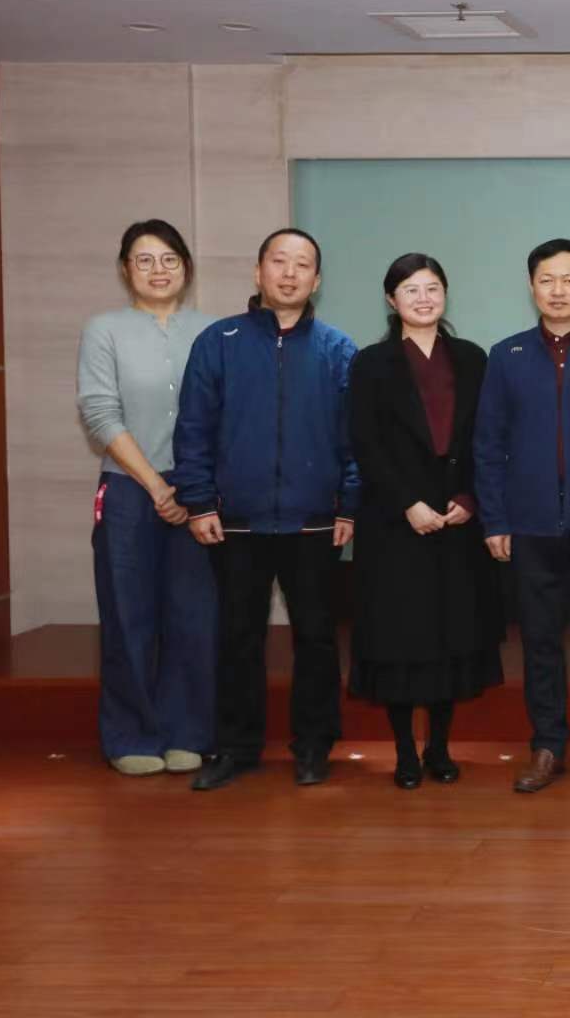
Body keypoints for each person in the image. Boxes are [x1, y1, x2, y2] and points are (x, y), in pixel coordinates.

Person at [175, 228, 359, 790]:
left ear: (317, 280)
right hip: (236, 519)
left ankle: (314, 746)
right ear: (258, 272)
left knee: (317, 637)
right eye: (279, 262)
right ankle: (235, 747)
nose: (289, 273)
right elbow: (193, 427)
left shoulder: (338, 349)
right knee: (238, 636)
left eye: (302, 265)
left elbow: (355, 438)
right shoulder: (219, 341)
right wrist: (198, 501)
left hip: (314, 520)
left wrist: (349, 504)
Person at [475, 238, 570, 795]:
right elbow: (488, 444)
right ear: (531, 286)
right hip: (529, 523)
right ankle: (546, 745)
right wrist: (495, 520)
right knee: (539, 641)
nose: (558, 290)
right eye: (547, 279)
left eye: (569, 279)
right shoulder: (507, 355)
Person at [347, 254, 505, 790]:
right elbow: (365, 442)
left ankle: (438, 747)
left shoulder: (472, 358)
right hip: (395, 522)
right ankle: (404, 752)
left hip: (457, 520)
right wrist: (407, 503)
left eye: (432, 288)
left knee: (449, 637)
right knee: (400, 638)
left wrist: (470, 498)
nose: (423, 298)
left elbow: (488, 436)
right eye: (410, 290)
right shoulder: (371, 363)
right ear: (391, 300)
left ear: (445, 295)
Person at [76, 219, 217, 777]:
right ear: (124, 269)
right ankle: (131, 733)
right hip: (129, 490)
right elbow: (100, 413)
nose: (158, 270)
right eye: (144, 260)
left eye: (169, 259)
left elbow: (223, 415)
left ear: (187, 267)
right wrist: (157, 486)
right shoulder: (104, 330)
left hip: (198, 492)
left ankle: (187, 731)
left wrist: (190, 487)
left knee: (193, 616)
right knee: (127, 613)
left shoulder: (212, 331)